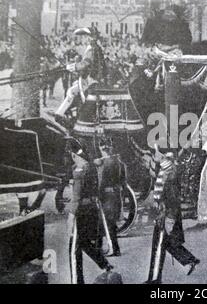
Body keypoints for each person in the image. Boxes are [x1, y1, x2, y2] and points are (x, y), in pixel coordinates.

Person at [146, 151, 200, 284]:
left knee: (159, 245)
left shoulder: (168, 173)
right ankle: (189, 260)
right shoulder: (167, 169)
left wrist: (169, 219)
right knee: (167, 243)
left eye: (157, 153)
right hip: (165, 213)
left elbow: (173, 199)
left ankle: (155, 279)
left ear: (162, 155)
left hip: (166, 215)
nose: (154, 156)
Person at [67, 140, 113, 284]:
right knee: (85, 243)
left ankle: (76, 281)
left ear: (74, 155)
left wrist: (70, 217)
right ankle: (105, 265)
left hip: (81, 211)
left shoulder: (79, 172)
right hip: (92, 210)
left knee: (74, 249)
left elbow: (76, 198)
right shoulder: (92, 167)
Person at [55, 27, 106, 126]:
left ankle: (60, 115)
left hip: (90, 80)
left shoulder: (91, 48)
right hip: (90, 79)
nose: (82, 39)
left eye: (83, 37)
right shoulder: (95, 48)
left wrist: (73, 66)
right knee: (73, 90)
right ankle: (67, 115)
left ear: (88, 37)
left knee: (71, 92)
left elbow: (86, 63)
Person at [94, 138, 126, 257]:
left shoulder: (105, 164)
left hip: (107, 196)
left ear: (102, 148)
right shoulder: (118, 162)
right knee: (108, 223)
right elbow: (123, 181)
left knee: (108, 223)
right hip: (116, 195)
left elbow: (101, 182)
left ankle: (114, 249)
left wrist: (97, 195)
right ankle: (102, 247)